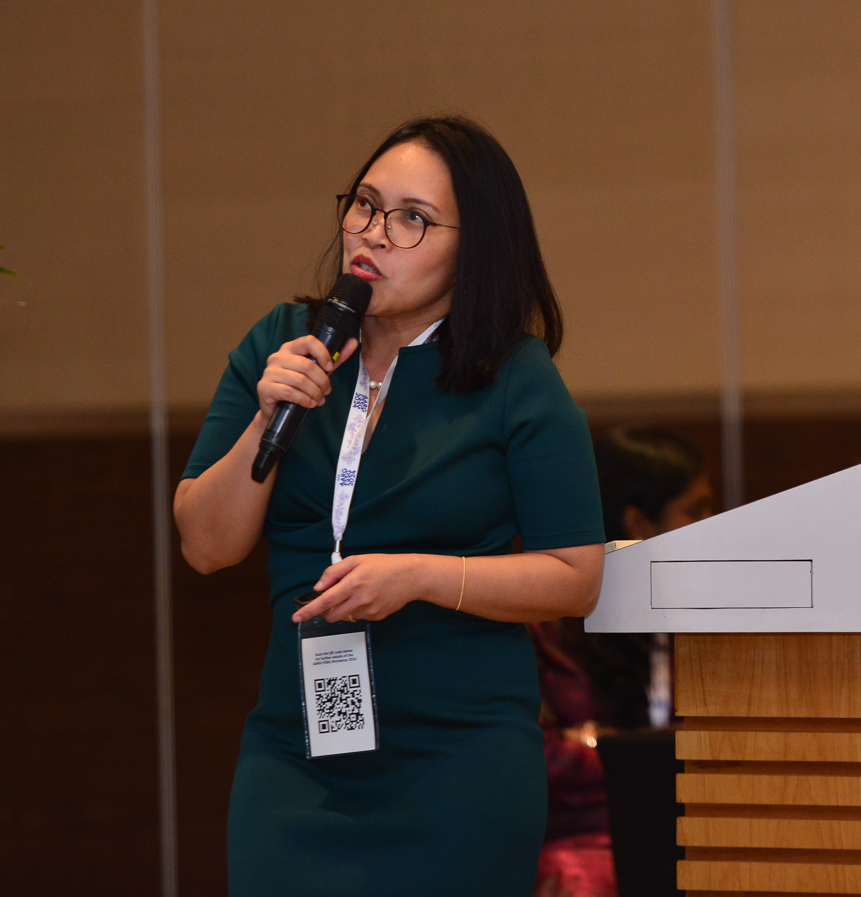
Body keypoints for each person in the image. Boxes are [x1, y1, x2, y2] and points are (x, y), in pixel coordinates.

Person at [174, 116, 607, 897]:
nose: (373, 232)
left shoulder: (513, 376)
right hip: (296, 756)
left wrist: (420, 577)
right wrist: (266, 417)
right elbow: (206, 546)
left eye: (413, 219)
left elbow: (576, 575)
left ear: (475, 249)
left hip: (457, 764)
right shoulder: (284, 344)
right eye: (366, 205)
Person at [530, 428, 714, 897]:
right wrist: (633, 756)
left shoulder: (706, 614)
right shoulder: (549, 623)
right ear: (638, 523)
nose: (712, 525)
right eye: (695, 511)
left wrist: (602, 742)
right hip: (586, 840)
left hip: (696, 825)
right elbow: (532, 756)